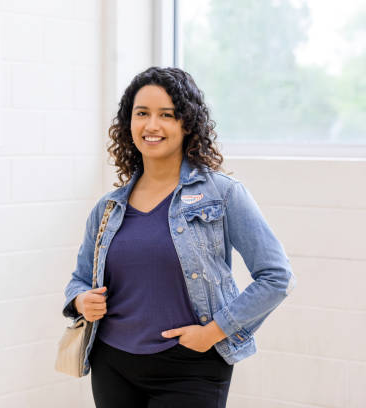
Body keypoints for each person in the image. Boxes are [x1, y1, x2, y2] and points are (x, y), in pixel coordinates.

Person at [61, 66, 296, 408]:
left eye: (166, 115)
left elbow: (277, 276)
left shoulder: (223, 194)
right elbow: (79, 279)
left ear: (186, 124)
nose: (152, 125)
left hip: (191, 367)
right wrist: (81, 300)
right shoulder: (108, 207)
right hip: (112, 364)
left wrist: (214, 332)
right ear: (129, 123)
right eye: (142, 113)